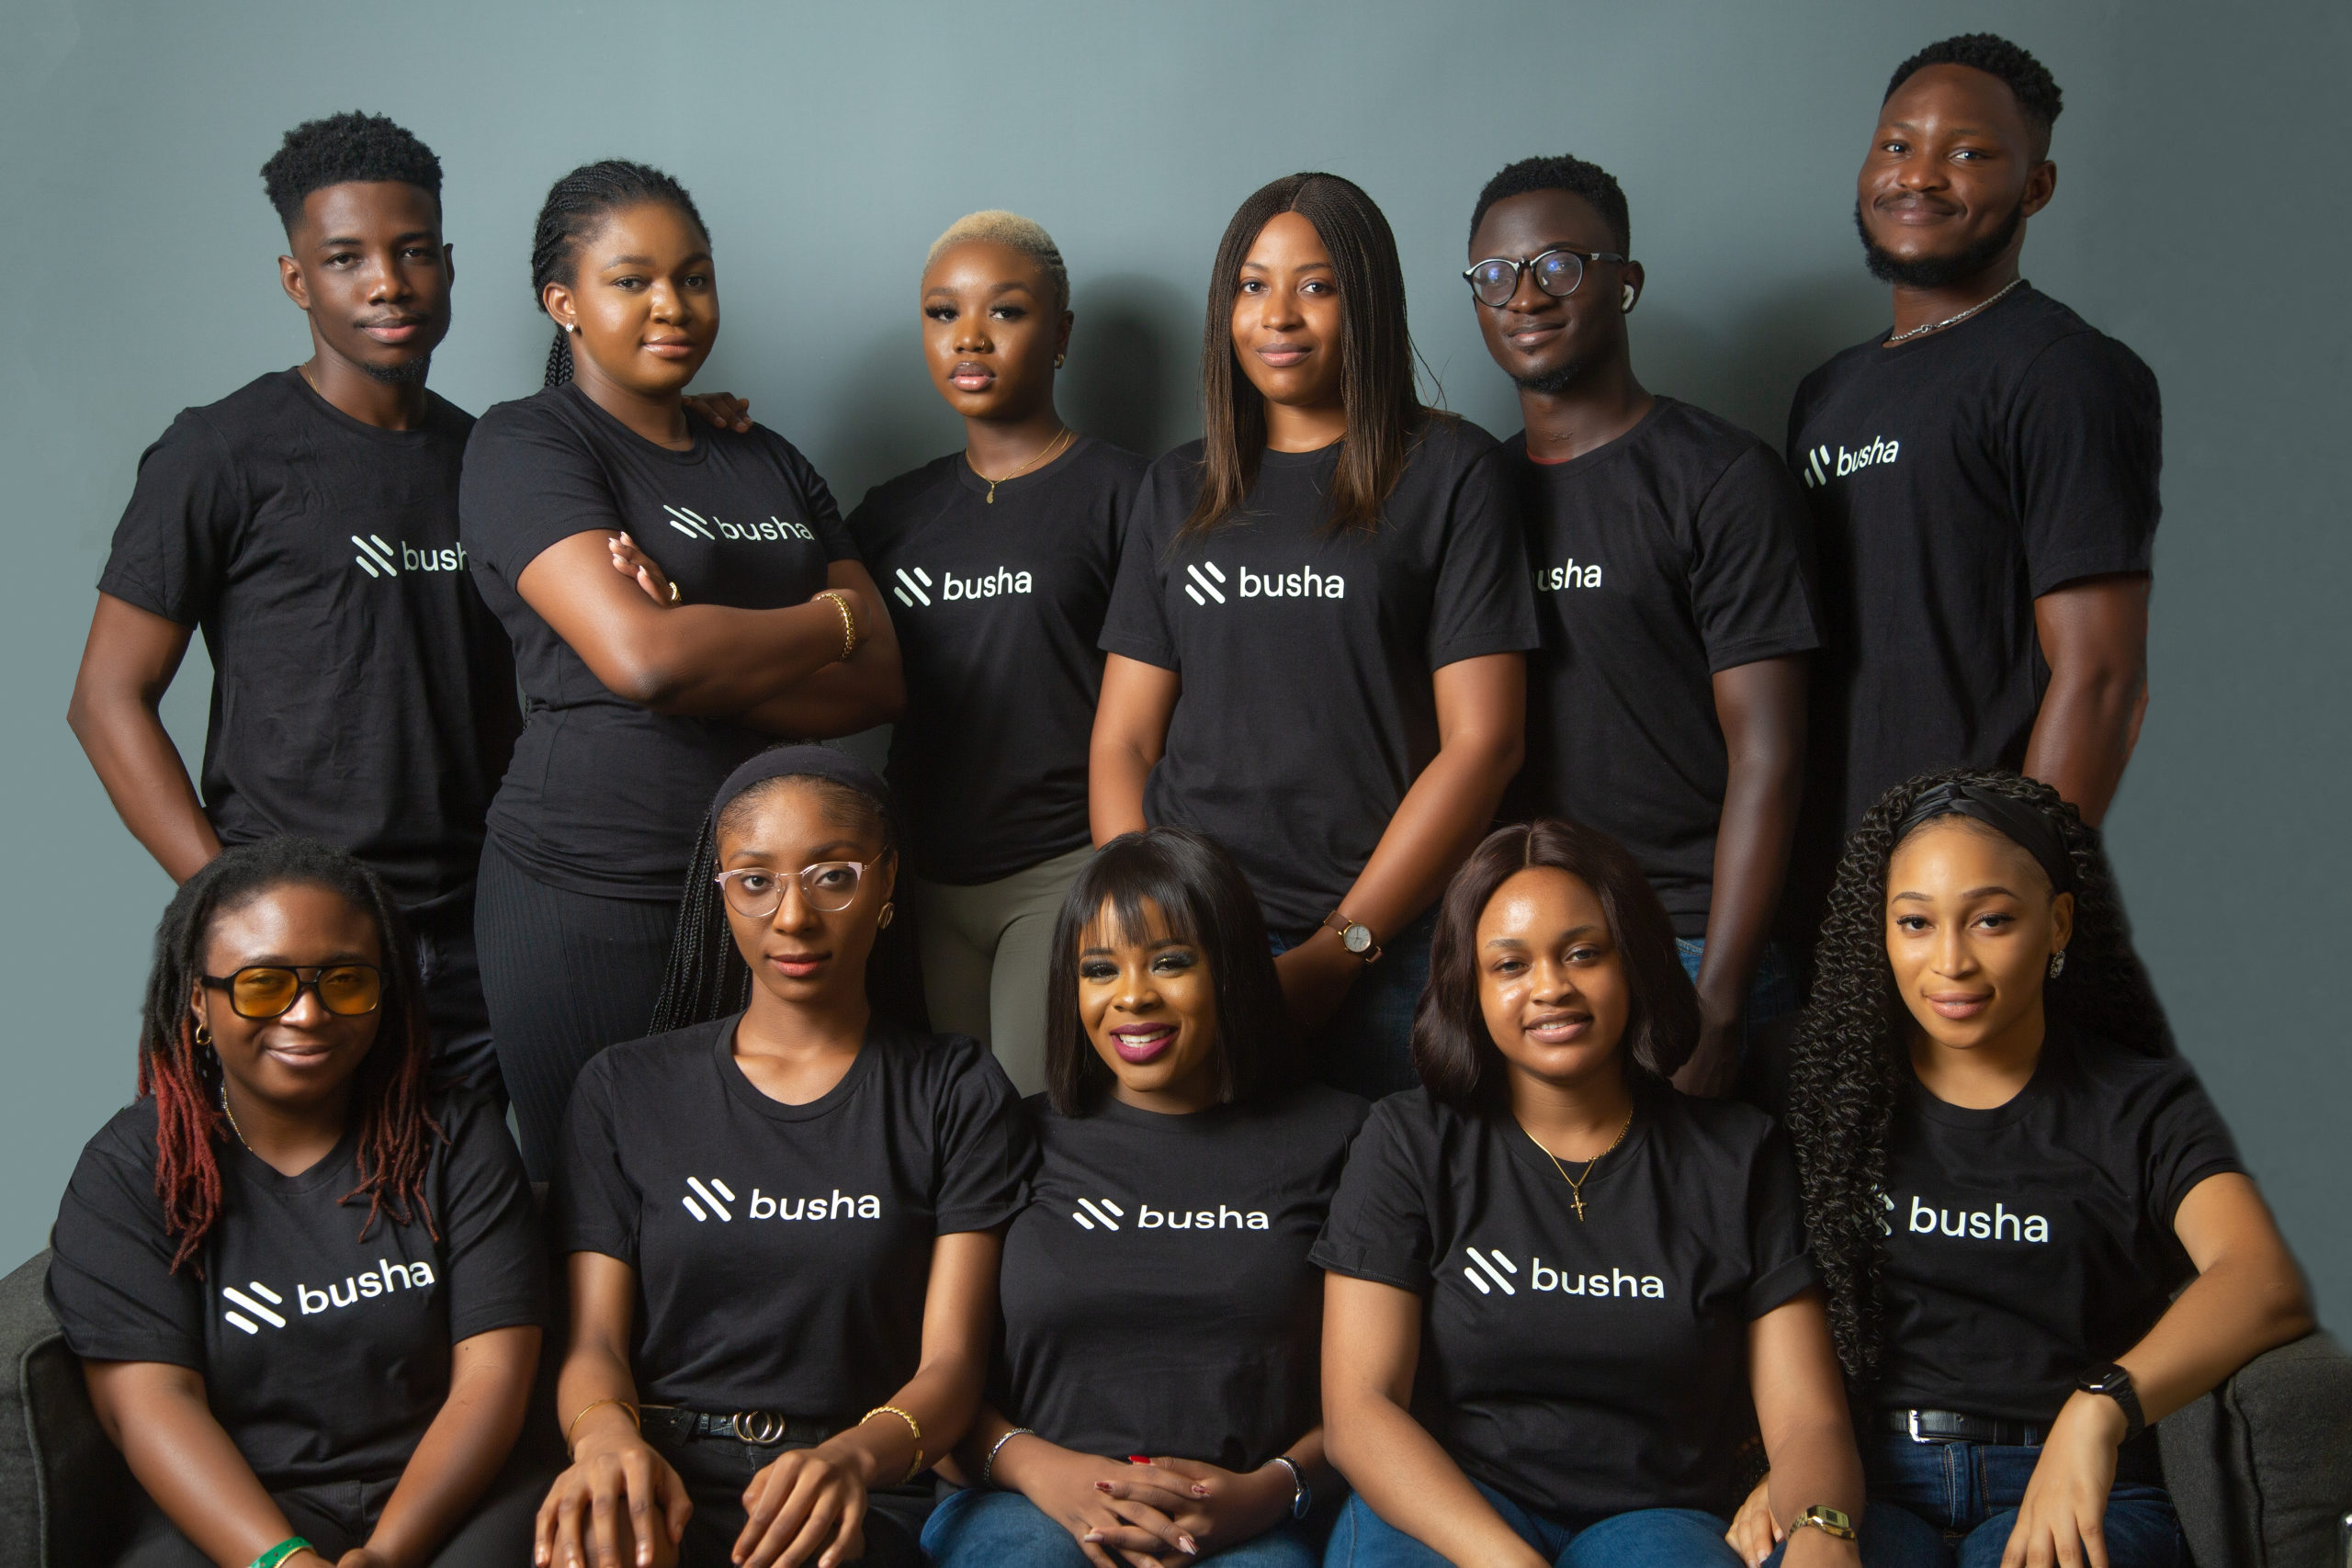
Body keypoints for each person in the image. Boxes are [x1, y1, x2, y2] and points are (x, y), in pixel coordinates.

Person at [1730, 769, 2313, 1568]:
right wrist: (1804, 1482)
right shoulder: (1811, 1080)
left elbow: (2266, 1275)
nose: (1951, 961)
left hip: (2073, 1479)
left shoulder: (2140, 1102)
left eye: (1992, 920)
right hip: (1869, 1482)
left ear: (2058, 921)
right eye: (1915, 922)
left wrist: (2097, 1410)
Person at [459, 161, 903, 1179]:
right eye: (632, 281)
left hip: (773, 894)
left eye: (694, 278)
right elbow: (644, 660)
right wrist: (824, 619)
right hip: (588, 888)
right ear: (563, 303)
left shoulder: (767, 456)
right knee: (601, 1205)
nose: (673, 304)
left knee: (776, 1192)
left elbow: (882, 677)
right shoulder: (527, 444)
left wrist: (698, 640)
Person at [66, 113, 520, 1095]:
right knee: (296, 1193)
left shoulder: (494, 459)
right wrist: (231, 904)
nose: (387, 283)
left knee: (479, 1189)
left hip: (481, 934)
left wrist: (692, 424)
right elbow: (105, 698)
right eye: (345, 258)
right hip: (301, 944)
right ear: (296, 279)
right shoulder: (221, 453)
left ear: (448, 265)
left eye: (412, 252)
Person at [1091, 171, 1536, 1100]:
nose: (1278, 316)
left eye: (1317, 285)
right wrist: (1144, 927)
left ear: (1366, 301)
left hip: (1389, 947)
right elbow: (1124, 740)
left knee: (1392, 1187)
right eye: (1252, 286)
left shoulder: (1451, 471)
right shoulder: (1177, 487)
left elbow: (1484, 742)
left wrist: (1341, 951)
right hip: (1194, 944)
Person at [1315, 819, 1864, 1568]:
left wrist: (1823, 1529)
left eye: (1583, 952)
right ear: (1471, 985)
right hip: (1452, 1504)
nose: (1551, 987)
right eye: (1510, 964)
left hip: (1654, 1516)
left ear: (1634, 960)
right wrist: (1509, 1562)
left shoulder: (1739, 1154)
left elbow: (1806, 1419)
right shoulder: (1409, 1141)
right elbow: (1359, 1411)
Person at [538, 747, 1028, 1568]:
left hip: (858, 1488)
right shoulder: (624, 1087)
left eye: (832, 876)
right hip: (658, 1473)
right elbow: (594, 1342)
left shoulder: (955, 1089)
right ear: (721, 893)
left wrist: (851, 1459)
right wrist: (604, 1441)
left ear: (886, 882)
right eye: (755, 880)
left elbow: (950, 1367)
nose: (792, 916)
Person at [46, 838, 548, 1567]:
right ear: (199, 1001)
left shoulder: (454, 1136)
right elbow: (151, 1403)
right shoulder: (132, 1168)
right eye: (262, 984)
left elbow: (493, 1374)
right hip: (239, 1509)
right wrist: (281, 1558)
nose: (308, 1013)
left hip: (448, 1501)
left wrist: (386, 1555)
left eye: (344, 980)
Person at [1786, 34, 2161, 937]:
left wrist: (2003, 899)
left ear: (2036, 187)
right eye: (1896, 144)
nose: (1918, 175)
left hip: (1959, 898)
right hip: (1827, 890)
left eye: (1968, 153)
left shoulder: (2062, 371)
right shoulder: (1825, 393)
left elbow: (2103, 677)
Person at [1465, 154, 1817, 1098]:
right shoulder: (1472, 494)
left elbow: (1770, 752)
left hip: (1686, 938)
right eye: (1494, 275)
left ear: (1625, 281)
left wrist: (1720, 1000)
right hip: (1525, 950)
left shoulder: (1719, 477)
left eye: (1559, 266)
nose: (1524, 297)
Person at [924, 827, 1365, 1568]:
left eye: (1170, 961)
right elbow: (935, 1386)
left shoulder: (1342, 1135)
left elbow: (1377, 1399)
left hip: (1248, 1520)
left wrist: (1263, 1494)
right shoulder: (1007, 1133)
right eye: (1100, 969)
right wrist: (1047, 1474)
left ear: (1230, 968)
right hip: (1026, 1505)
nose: (1132, 996)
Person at [847, 211, 1147, 1094]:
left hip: (1061, 867)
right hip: (920, 879)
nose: (969, 337)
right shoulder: (889, 514)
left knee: (1031, 1118)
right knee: (944, 1125)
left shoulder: (1130, 494)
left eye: (1005, 311)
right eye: (942, 313)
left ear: (1061, 334)